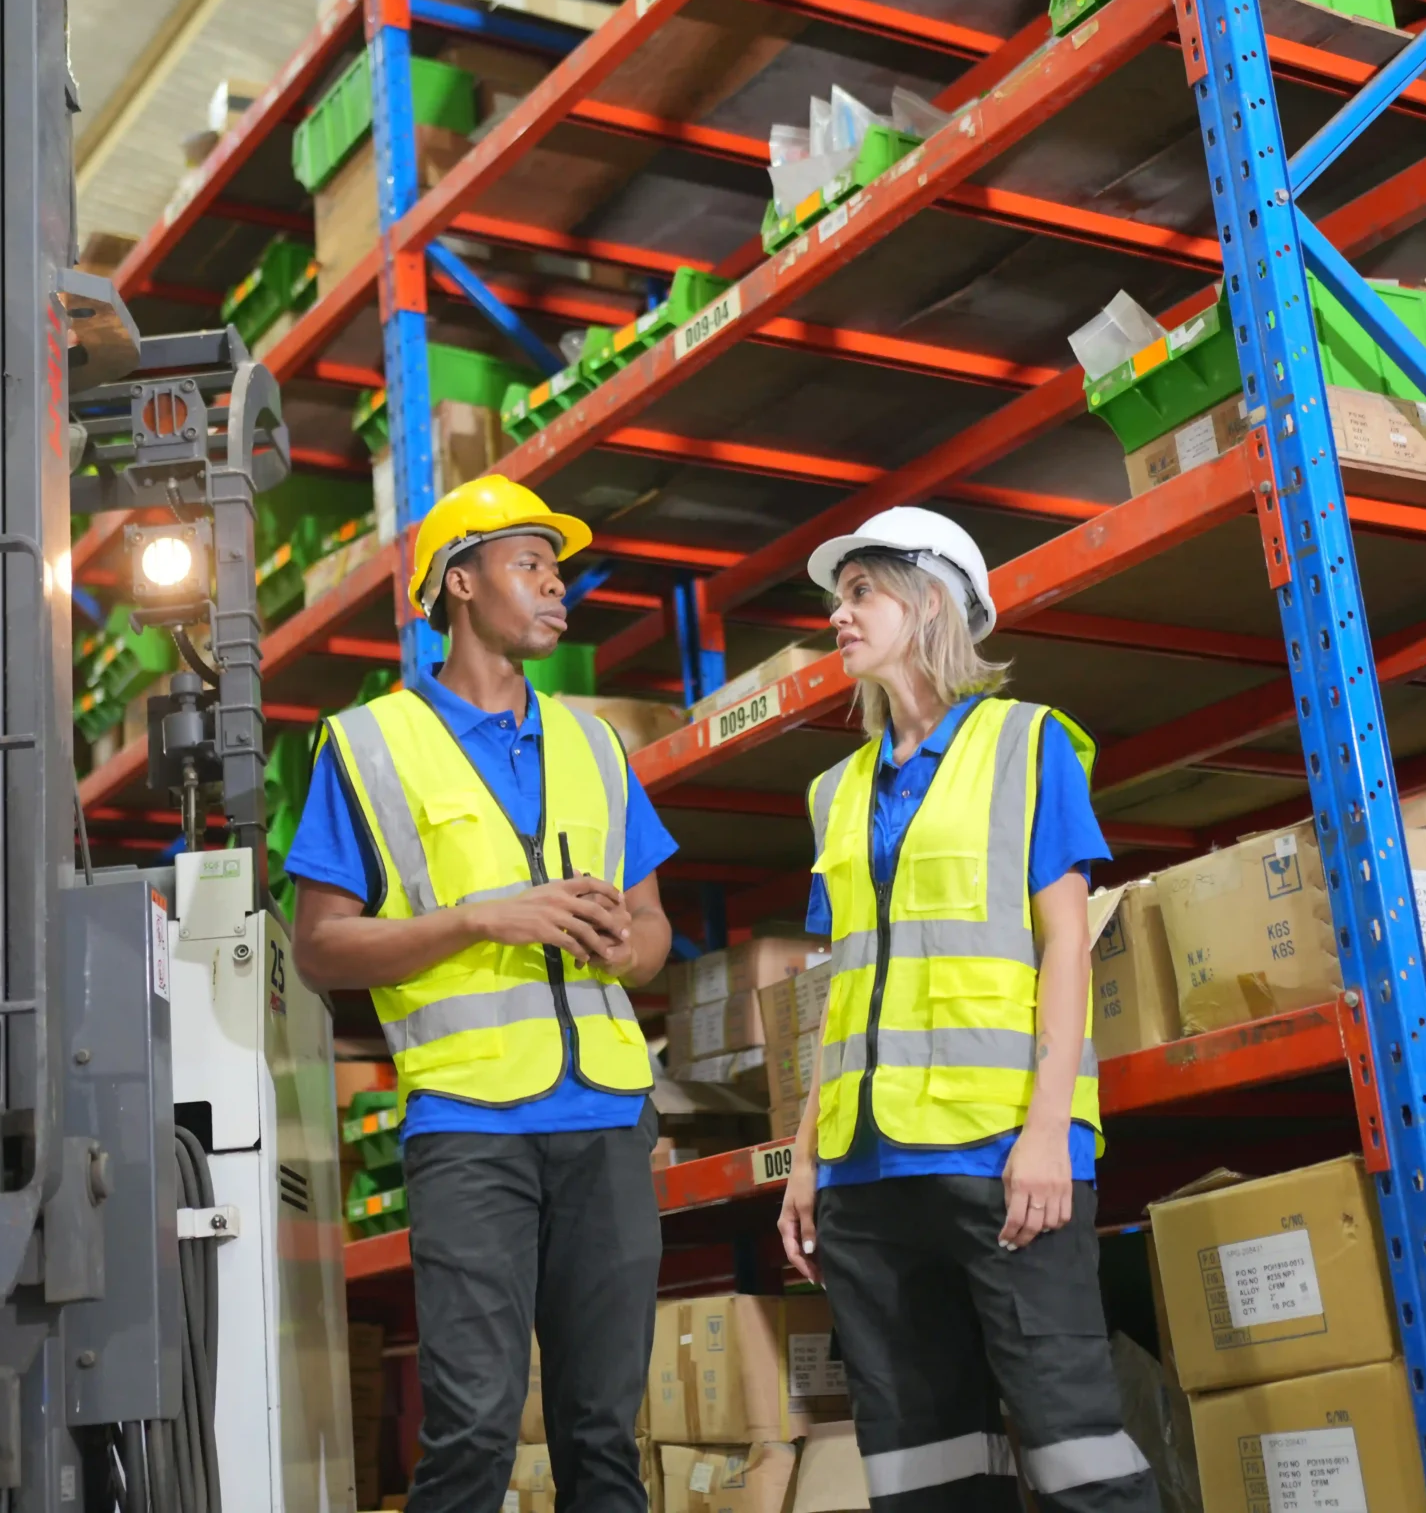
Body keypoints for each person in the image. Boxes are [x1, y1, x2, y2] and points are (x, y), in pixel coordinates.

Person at [288, 474, 678, 1513]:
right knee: (473, 1430)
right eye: (531, 565)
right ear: (459, 584)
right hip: (468, 1129)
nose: (558, 589)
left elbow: (654, 933)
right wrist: (479, 919)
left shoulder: (597, 745)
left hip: (605, 1120)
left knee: (604, 1437)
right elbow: (319, 947)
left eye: (559, 570)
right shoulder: (368, 744)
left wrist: (619, 944)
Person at [773, 506, 1156, 1513]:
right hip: (866, 1173)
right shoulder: (835, 792)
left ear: (930, 599)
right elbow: (842, 987)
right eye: (836, 600)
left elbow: (1066, 943)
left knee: (1074, 1445)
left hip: (1000, 1157)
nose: (839, 618)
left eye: (861, 592)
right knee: (918, 1465)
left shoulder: (1028, 746)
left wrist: (1046, 1132)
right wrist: (807, 1157)